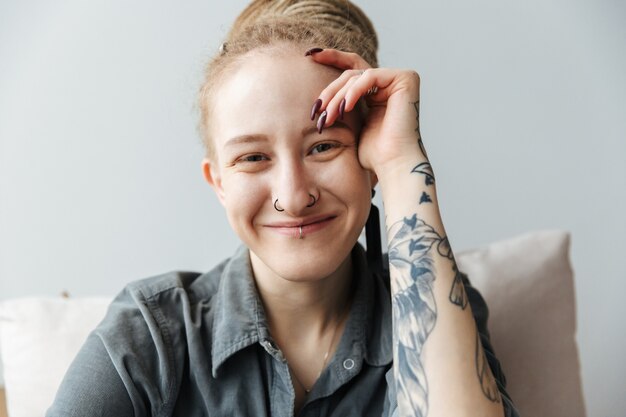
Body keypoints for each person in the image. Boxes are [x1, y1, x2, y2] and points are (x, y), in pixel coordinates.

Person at [47, 1, 520, 416]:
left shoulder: (437, 305)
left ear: (368, 160)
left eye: (323, 147)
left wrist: (401, 165)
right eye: (253, 158)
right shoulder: (149, 335)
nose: (293, 197)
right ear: (219, 183)